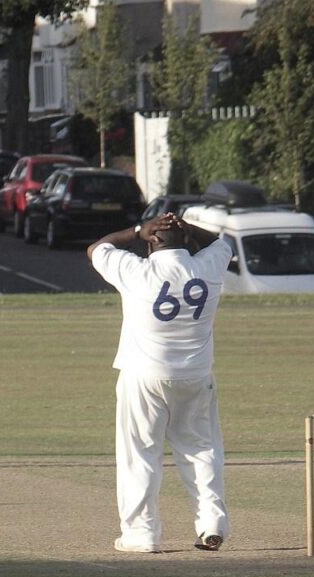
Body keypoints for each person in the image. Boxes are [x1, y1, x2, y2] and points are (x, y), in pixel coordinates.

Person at [88, 213, 232, 553]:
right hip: (195, 376)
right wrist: (185, 227)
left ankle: (142, 534)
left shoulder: (137, 272)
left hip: (143, 376)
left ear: (151, 242)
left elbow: (97, 249)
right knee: (201, 451)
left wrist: (137, 230)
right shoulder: (207, 268)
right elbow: (220, 244)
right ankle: (212, 523)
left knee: (140, 454)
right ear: (186, 240)